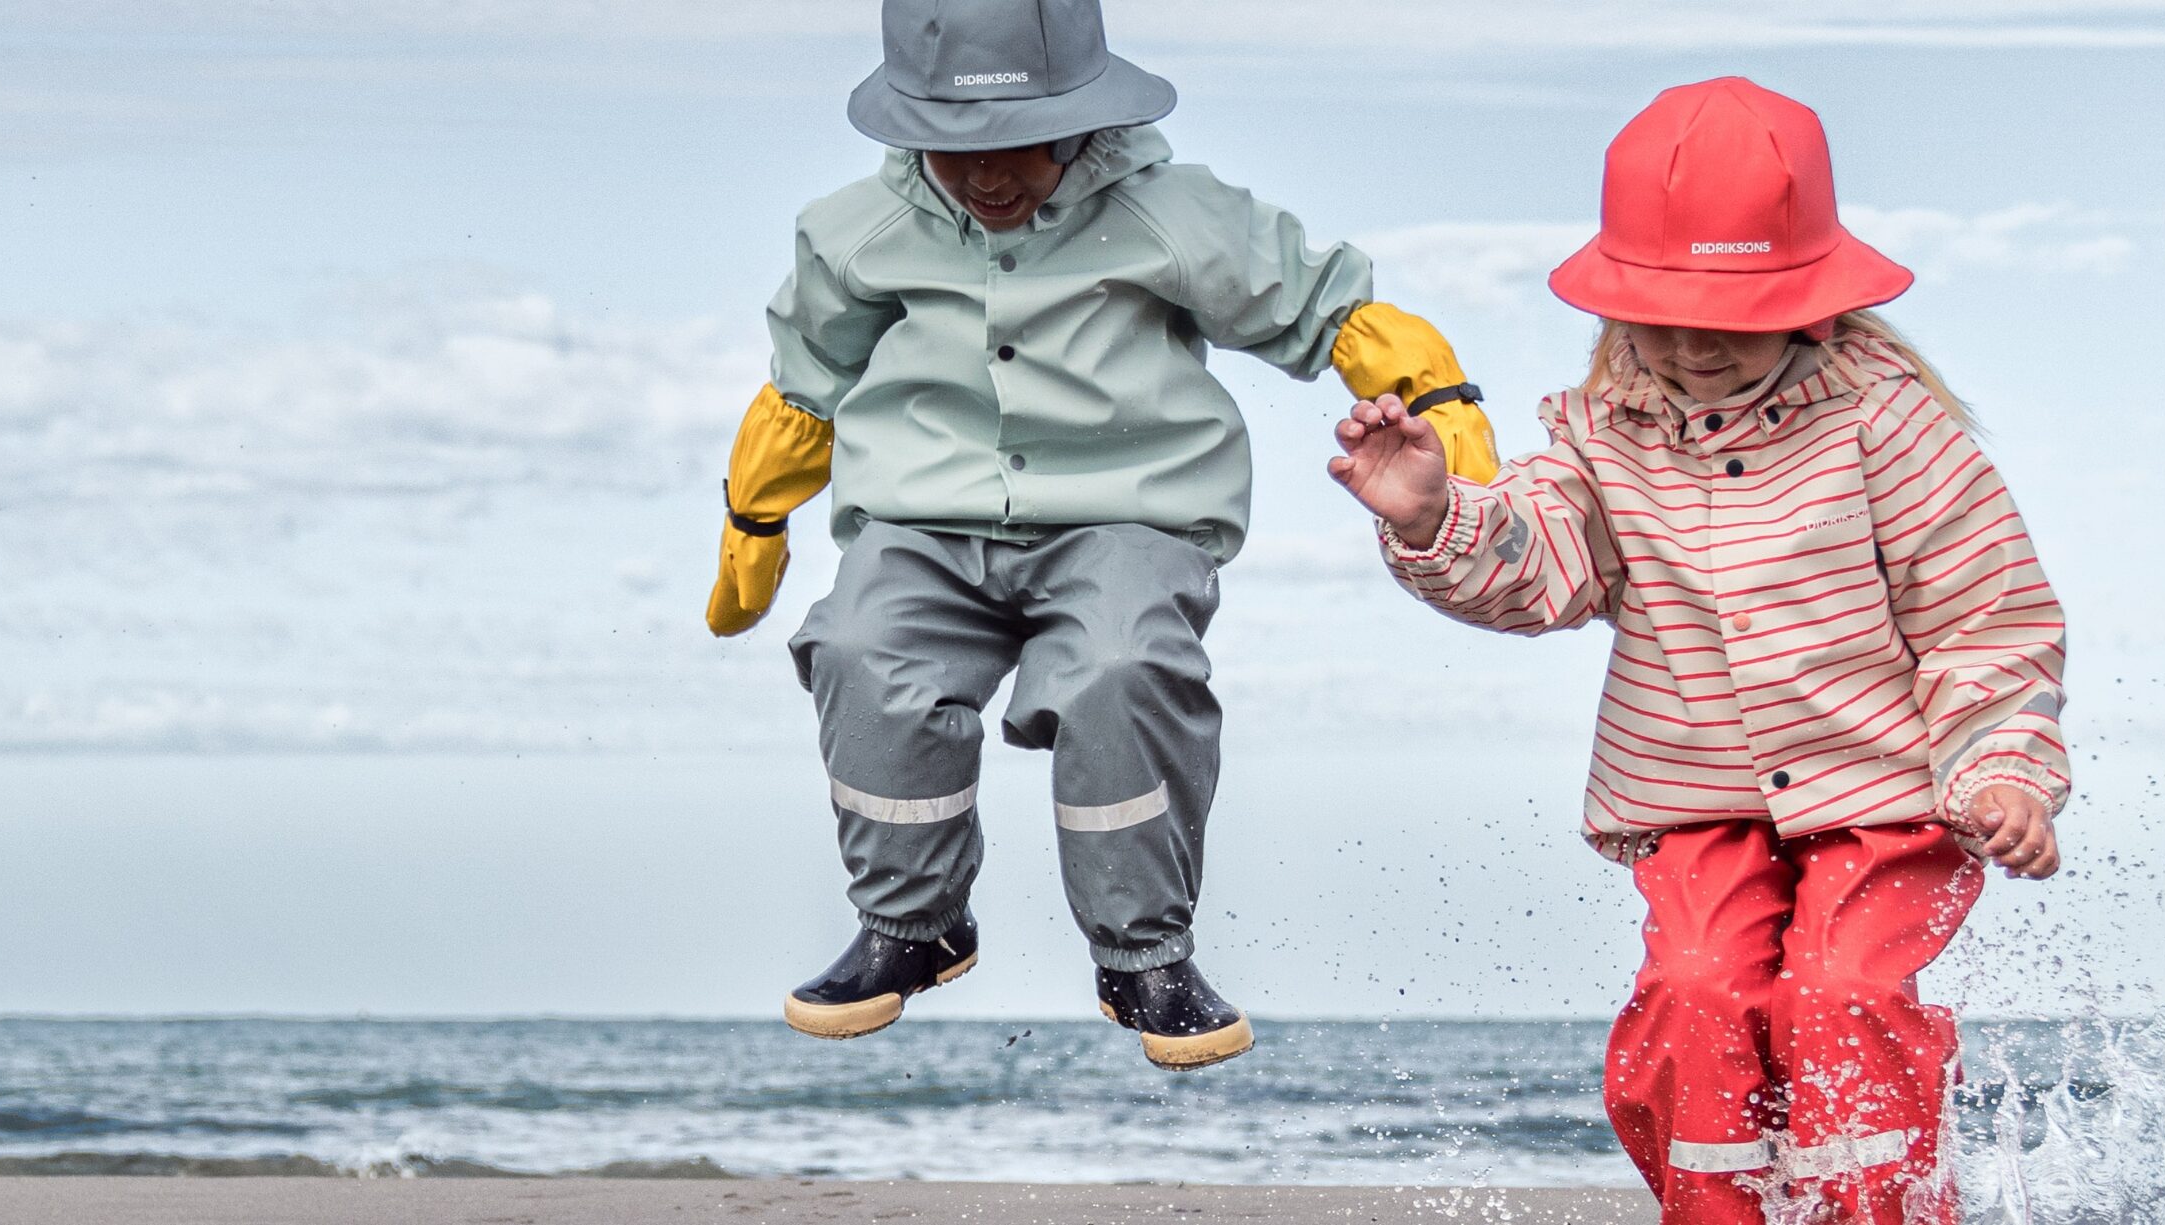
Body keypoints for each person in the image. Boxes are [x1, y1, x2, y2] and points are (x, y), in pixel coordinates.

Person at [703, 0, 1499, 1071]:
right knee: (857, 648)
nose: (990, 175)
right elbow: (805, 386)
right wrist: (754, 522)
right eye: (956, 146)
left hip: (1127, 516)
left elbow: (1333, 314)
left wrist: (1448, 429)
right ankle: (910, 924)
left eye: (1022, 142)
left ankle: (1143, 954)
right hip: (923, 523)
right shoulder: (855, 233)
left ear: (1087, 116)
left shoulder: (1172, 215)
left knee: (1120, 669)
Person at [1325, 77, 2068, 1222]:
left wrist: (1999, 770)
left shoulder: (1884, 426)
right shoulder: (1602, 437)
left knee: (1839, 991)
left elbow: (1985, 618)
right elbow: (1540, 564)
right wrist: (1432, 517)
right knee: (1694, 991)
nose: (1691, 345)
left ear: (1808, 298)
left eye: (1727, 315)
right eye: (1662, 315)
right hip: (1695, 802)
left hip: (1890, 796)